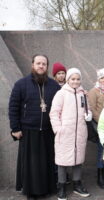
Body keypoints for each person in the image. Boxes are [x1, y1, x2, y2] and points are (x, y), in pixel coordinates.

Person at [8, 54, 60, 199]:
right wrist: (15, 128)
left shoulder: (54, 85)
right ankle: (31, 192)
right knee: (31, 164)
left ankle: (45, 189)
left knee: (46, 162)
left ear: (47, 67)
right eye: (38, 63)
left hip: (48, 131)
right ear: (33, 65)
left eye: (44, 64)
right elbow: (13, 107)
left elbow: (60, 107)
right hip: (28, 131)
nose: (41, 66)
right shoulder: (21, 84)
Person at [50, 68, 92, 200]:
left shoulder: (83, 94)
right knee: (62, 161)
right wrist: (58, 129)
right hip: (65, 133)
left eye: (78, 79)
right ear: (68, 80)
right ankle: (61, 186)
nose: (75, 81)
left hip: (79, 132)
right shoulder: (61, 94)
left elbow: (87, 108)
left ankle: (77, 184)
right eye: (73, 79)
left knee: (78, 160)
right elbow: (54, 113)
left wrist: (88, 114)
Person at [88, 68, 104, 189]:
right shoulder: (94, 91)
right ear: (98, 79)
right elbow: (92, 109)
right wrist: (102, 123)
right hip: (100, 125)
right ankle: (99, 176)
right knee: (101, 150)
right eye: (102, 78)